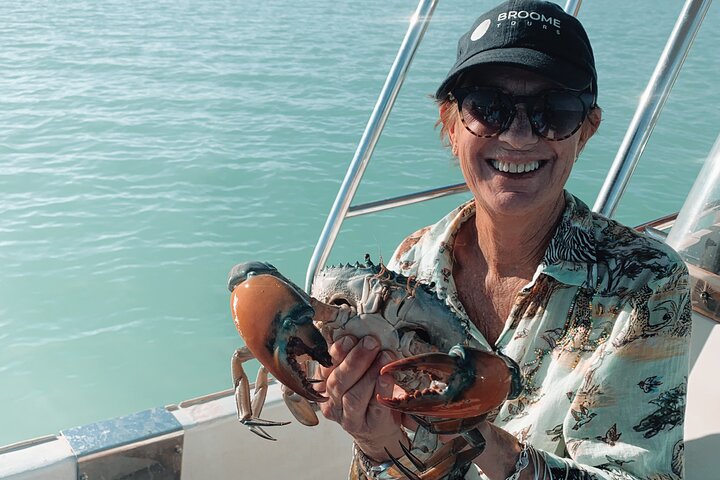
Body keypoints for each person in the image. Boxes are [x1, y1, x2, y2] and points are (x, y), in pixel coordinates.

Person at [317, 1, 691, 478]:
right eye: (487, 107)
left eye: (552, 112)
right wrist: (377, 445)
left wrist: (477, 434)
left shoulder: (645, 284)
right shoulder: (409, 267)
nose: (516, 136)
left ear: (587, 130)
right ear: (452, 127)